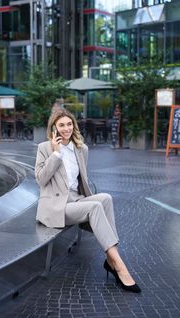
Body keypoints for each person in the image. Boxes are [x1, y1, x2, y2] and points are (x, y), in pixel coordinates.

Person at [35, 108, 141, 293]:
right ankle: (118, 264)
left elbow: (79, 180)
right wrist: (56, 153)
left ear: (74, 125)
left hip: (76, 200)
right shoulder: (44, 148)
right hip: (56, 206)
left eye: (69, 124)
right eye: (61, 125)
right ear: (54, 128)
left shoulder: (81, 149)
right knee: (94, 207)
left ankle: (110, 259)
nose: (66, 128)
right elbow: (41, 179)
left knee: (105, 199)